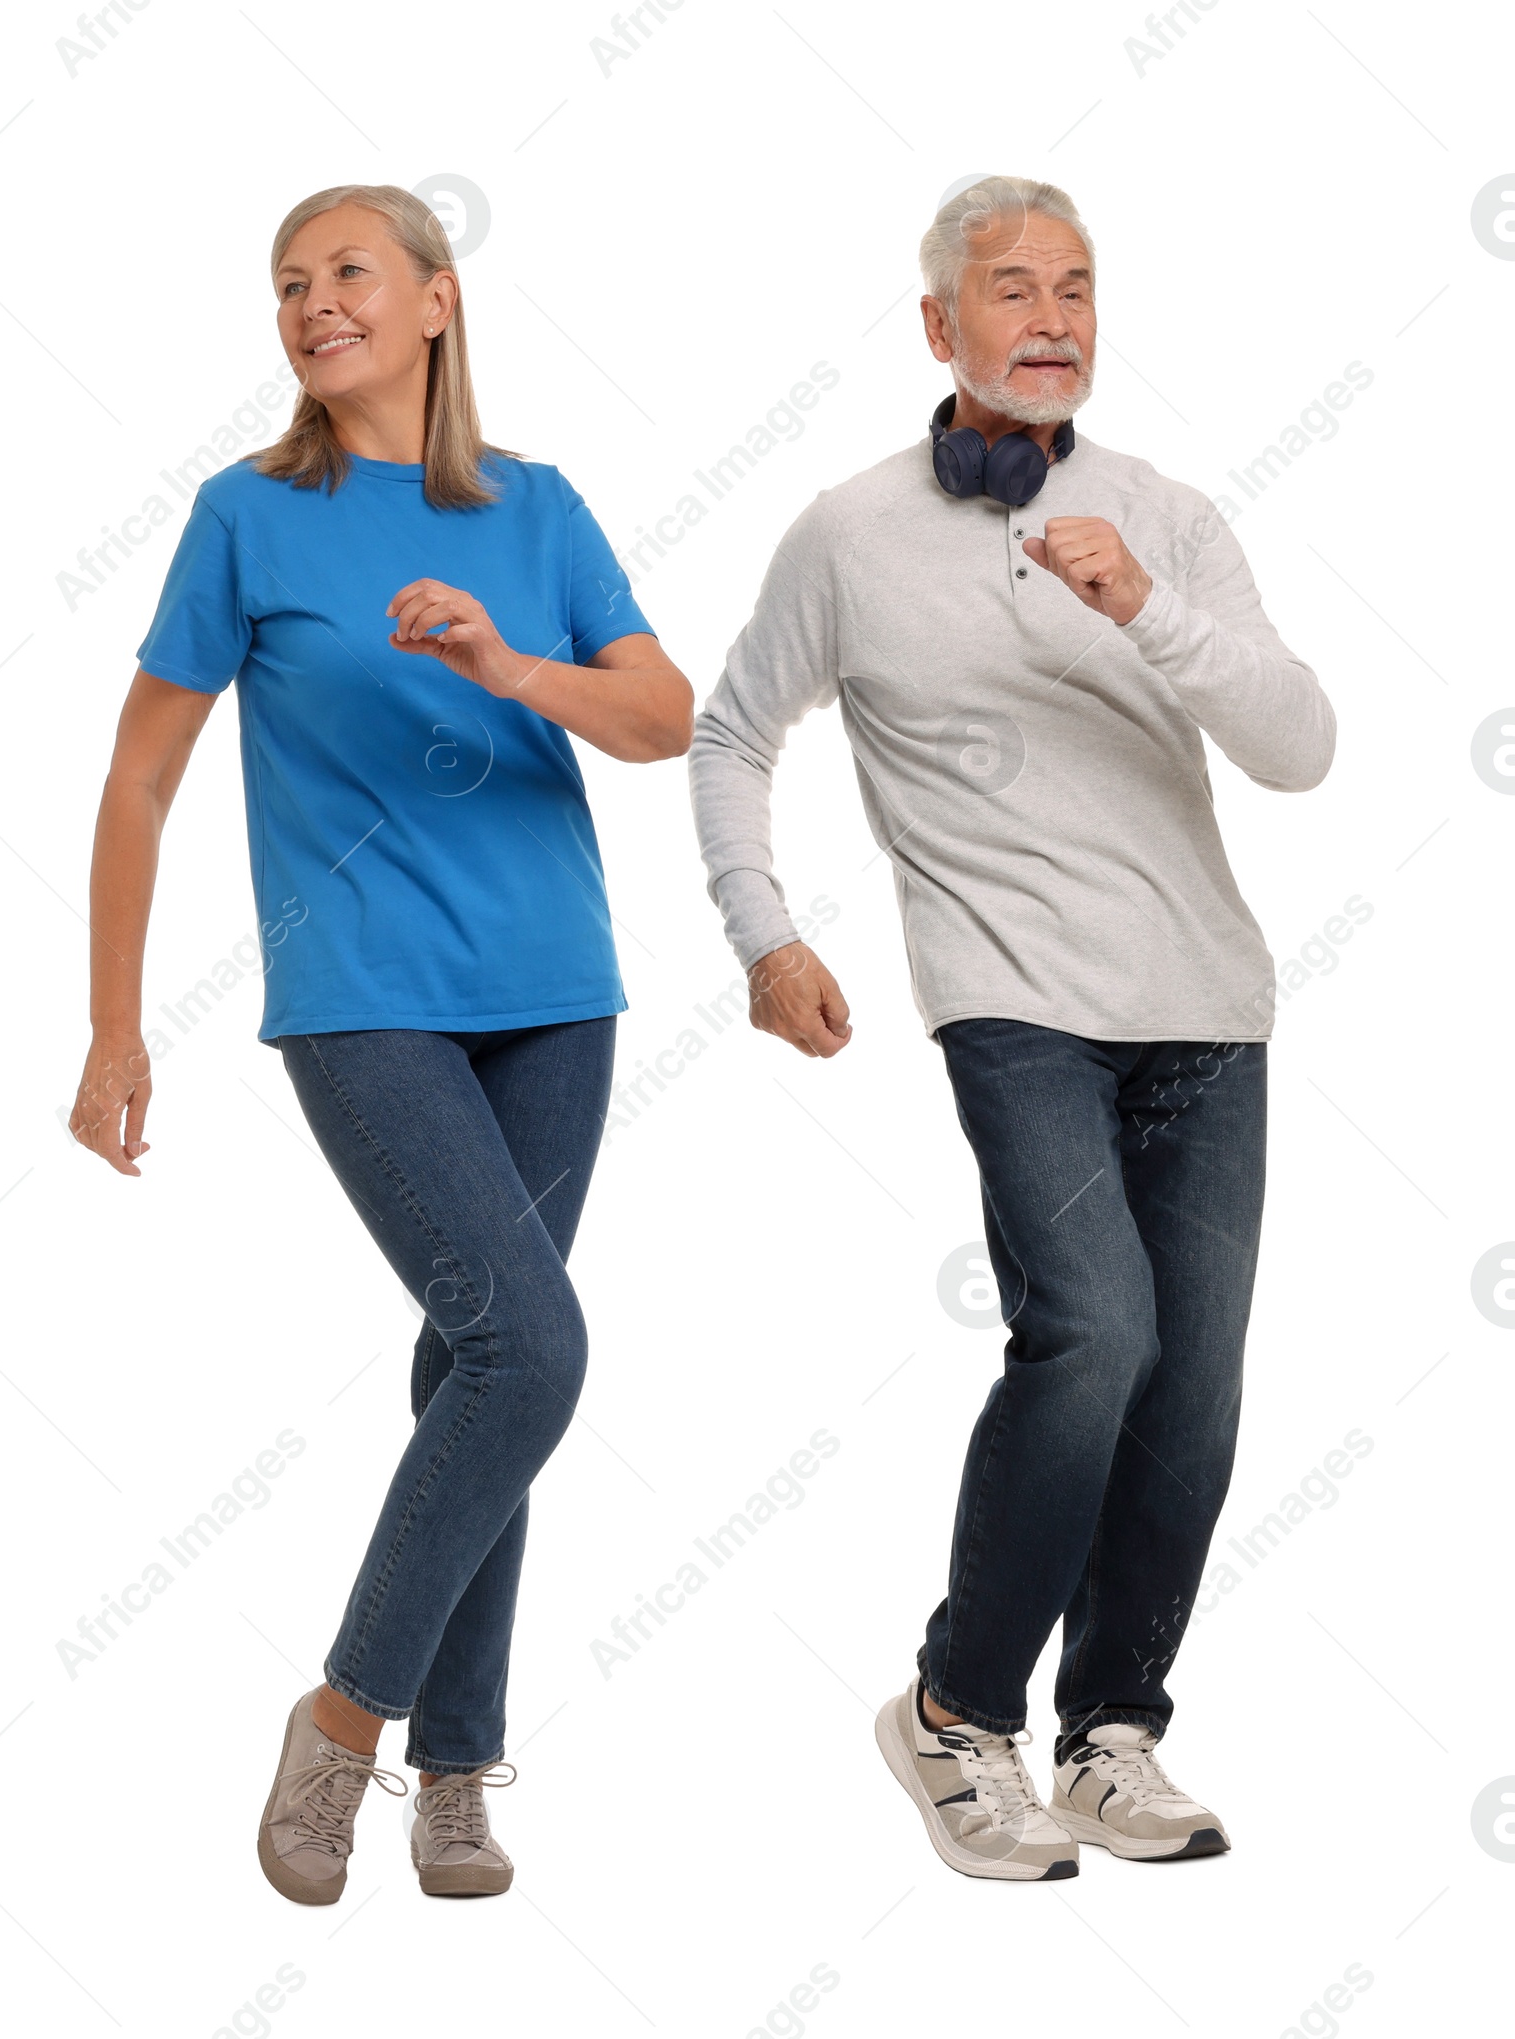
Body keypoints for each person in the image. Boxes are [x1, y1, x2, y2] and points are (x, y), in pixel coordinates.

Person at [688, 175, 1335, 1880]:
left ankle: (1111, 1730)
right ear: (939, 327)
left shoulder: (1168, 518)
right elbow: (731, 733)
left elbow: (1301, 744)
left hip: (1206, 1005)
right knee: (1094, 1336)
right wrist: (764, 934)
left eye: (1077, 287)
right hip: (1010, 999)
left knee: (1192, 1390)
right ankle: (958, 1716)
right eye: (1011, 290)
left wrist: (1145, 608)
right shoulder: (848, 533)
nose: (1050, 318)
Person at [71, 182, 692, 1904]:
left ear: (435, 298)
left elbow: (663, 715)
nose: (312, 301)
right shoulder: (250, 518)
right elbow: (139, 774)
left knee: (479, 1369)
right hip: (361, 997)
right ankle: (344, 1723)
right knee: (533, 1355)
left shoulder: (540, 511)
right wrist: (116, 1025)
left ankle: (457, 1769)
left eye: (348, 272)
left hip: (553, 989)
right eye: (287, 283)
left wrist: (513, 666)